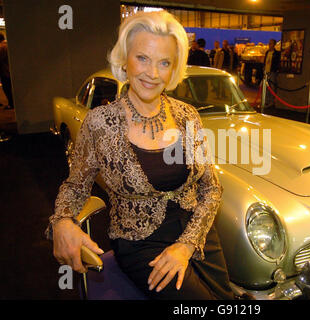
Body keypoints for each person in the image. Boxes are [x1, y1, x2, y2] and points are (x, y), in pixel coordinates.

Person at [46, 10, 235, 300]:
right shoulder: (99, 123)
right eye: (142, 58)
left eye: (164, 63)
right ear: (124, 59)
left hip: (198, 232)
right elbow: (75, 186)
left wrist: (187, 244)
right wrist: (61, 220)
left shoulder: (188, 116)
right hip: (139, 242)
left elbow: (210, 188)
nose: (153, 73)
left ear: (174, 69)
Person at [263, 39, 281, 108]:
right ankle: (266, 101)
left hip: (272, 72)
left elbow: (277, 63)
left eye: (271, 44)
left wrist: (276, 70)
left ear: (274, 45)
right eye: (269, 43)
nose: (269, 45)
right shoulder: (267, 52)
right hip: (267, 72)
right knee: (267, 88)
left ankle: (272, 101)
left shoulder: (276, 53)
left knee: (272, 87)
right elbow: (265, 61)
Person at [0, 33, 14, 109]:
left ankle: (11, 104)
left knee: (7, 88)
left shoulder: (1, 47)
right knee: (12, 88)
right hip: (11, 71)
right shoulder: (9, 45)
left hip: (5, 71)